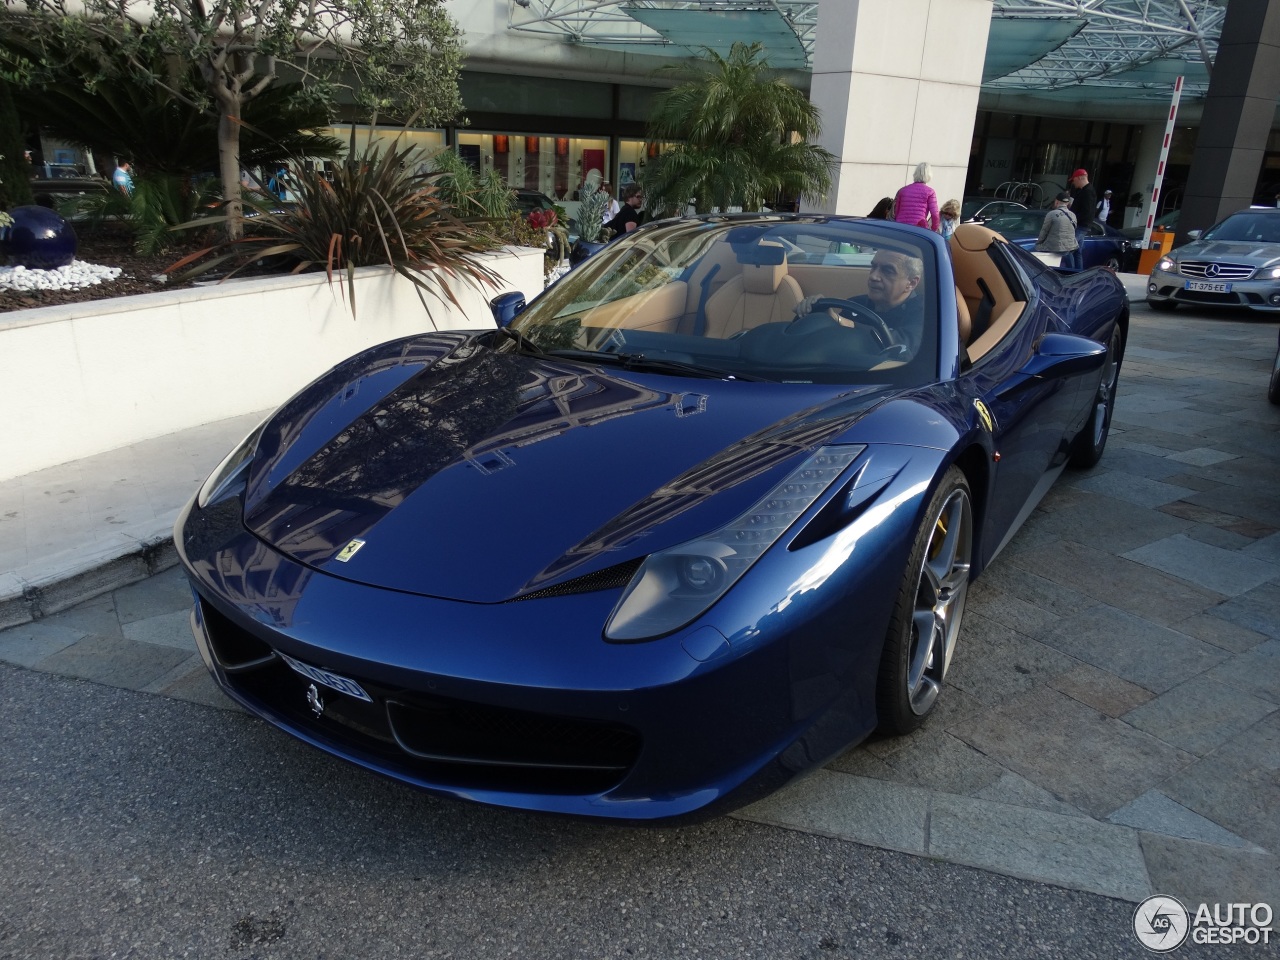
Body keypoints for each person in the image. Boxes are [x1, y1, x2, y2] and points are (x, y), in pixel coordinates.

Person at [795, 249, 926, 357]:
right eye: (873, 267)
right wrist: (816, 316)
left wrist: (840, 321)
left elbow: (905, 345)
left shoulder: (925, 313)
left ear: (912, 283)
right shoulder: (855, 303)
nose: (873, 276)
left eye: (887, 271)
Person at [893, 162, 940, 232]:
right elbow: (935, 214)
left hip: (900, 227)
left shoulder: (903, 190)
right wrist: (934, 229)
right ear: (929, 175)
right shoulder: (930, 192)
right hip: (918, 229)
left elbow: (897, 211)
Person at [1036, 192, 1078, 268]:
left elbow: (1044, 231)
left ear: (1056, 201)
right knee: (1070, 267)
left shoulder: (1051, 214)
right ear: (1068, 203)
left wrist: (1038, 243)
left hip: (1054, 247)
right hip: (1069, 247)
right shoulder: (1073, 215)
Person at [1066, 168, 1096, 270]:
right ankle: (1078, 272)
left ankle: (1071, 273)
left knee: (1067, 249)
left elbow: (1086, 212)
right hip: (1082, 225)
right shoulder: (1087, 190)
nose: (1073, 183)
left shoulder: (1087, 192)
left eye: (1074, 180)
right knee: (1077, 251)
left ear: (1079, 178)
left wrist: (1073, 219)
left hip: (1081, 225)